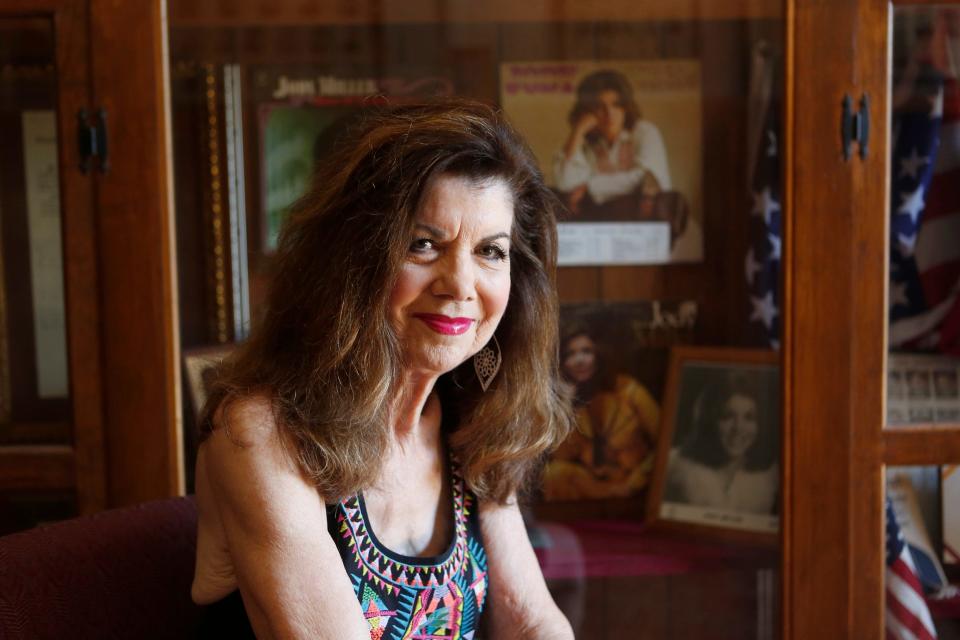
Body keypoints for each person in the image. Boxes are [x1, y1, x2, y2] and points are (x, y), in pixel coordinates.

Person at [190, 100, 576, 639]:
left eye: (491, 251)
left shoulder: (471, 419)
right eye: (424, 245)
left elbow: (532, 621)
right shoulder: (261, 431)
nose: (461, 285)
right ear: (353, 263)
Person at [542, 323, 660, 501]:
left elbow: (665, 440)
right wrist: (566, 405)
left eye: (586, 351)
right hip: (597, 486)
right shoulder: (568, 400)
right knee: (554, 474)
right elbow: (562, 457)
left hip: (636, 479)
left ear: (598, 354)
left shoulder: (629, 390)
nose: (579, 360)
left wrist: (637, 480)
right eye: (570, 354)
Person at [553, 69, 672, 219]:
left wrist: (590, 187)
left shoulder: (645, 132)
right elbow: (565, 184)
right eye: (599, 107)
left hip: (648, 220)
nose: (609, 113)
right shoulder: (590, 144)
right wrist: (578, 130)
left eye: (616, 105)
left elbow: (646, 177)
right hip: (605, 221)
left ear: (626, 107)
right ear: (588, 111)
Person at [664, 371, 778, 514]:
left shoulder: (767, 480)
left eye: (749, 417)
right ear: (710, 419)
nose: (738, 428)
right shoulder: (674, 465)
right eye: (727, 416)